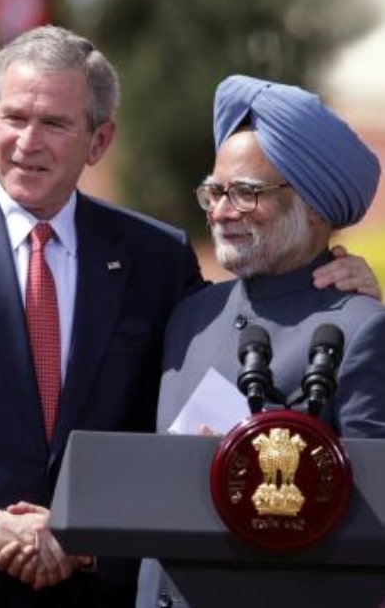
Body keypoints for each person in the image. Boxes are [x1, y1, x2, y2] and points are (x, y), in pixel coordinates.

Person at [0, 30, 376, 608]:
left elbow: (226, 359)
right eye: (14, 117)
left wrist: (346, 287)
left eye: (55, 124)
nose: (27, 142)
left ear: (99, 141)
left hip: (100, 589)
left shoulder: (157, 262)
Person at [137, 74, 385, 608]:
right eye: (215, 191)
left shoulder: (360, 328)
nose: (222, 212)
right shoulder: (191, 316)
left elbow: (374, 522)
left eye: (247, 193)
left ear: (314, 207)